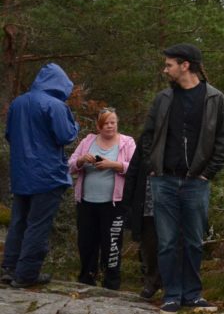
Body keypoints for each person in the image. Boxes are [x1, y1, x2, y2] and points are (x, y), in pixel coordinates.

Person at [138, 43, 224, 314]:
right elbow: (147, 136)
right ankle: (172, 295)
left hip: (196, 182)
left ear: (185, 65)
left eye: (169, 64)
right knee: (166, 241)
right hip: (163, 180)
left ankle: (192, 295)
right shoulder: (163, 98)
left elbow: (223, 140)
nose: (165, 69)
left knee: (193, 241)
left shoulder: (215, 99)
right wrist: (152, 167)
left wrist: (207, 173)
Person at [2, 63, 79, 287]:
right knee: (38, 225)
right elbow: (65, 136)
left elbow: (9, 135)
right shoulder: (55, 105)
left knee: (18, 222)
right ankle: (26, 274)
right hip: (47, 175)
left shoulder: (18, 103)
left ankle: (9, 268)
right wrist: (75, 125)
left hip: (21, 174)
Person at [68, 108, 136, 290]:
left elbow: (136, 167)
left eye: (112, 122)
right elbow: (70, 165)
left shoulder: (127, 142)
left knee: (111, 244)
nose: (109, 126)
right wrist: (82, 160)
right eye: (105, 123)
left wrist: (113, 164)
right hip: (87, 202)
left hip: (114, 203)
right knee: (86, 243)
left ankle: (111, 284)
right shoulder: (88, 141)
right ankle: (87, 279)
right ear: (99, 126)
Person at [122, 136, 162, 300]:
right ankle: (151, 282)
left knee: (173, 246)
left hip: (170, 205)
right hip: (146, 204)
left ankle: (173, 285)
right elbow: (132, 172)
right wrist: (128, 204)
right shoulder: (146, 140)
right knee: (149, 246)